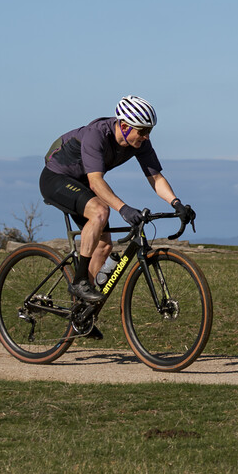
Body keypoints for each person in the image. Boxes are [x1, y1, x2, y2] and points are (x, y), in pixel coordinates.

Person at [41, 97, 196, 318]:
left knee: (104, 246)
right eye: (142, 131)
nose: (146, 136)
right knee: (100, 211)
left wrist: (176, 203)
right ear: (124, 126)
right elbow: (96, 182)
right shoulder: (96, 135)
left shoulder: (139, 143)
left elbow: (155, 177)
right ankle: (79, 282)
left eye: (149, 131)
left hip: (82, 183)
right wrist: (123, 209)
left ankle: (81, 311)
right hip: (56, 179)